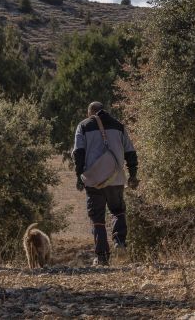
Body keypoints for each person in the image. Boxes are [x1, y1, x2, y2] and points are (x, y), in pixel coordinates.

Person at [72, 101, 139, 266]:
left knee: (97, 218)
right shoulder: (119, 126)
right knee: (118, 211)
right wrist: (133, 175)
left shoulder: (83, 126)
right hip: (116, 178)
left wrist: (79, 176)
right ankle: (120, 243)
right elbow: (131, 152)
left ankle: (102, 257)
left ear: (91, 113)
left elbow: (78, 153)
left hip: (95, 181)